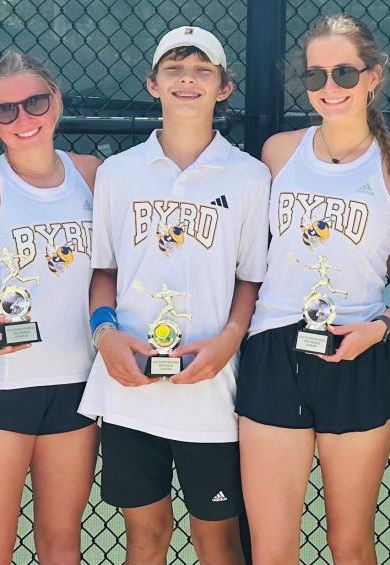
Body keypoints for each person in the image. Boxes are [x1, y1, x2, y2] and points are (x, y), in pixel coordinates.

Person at [234, 14, 390, 564]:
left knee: (349, 543)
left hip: (360, 352)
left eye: (344, 73)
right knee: (273, 548)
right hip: (274, 350)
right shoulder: (278, 153)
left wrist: (383, 327)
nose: (329, 88)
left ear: (373, 76)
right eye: (316, 76)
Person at [79, 25, 271, 565]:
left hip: (209, 391)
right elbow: (103, 272)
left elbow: (250, 279)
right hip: (129, 386)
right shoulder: (118, 174)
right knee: (145, 533)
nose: (187, 80)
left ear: (224, 87)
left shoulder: (250, 177)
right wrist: (105, 334)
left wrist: (230, 340)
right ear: (152, 83)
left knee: (219, 537)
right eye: (174, 70)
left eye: (201, 70)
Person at [0, 49, 100, 564]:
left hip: (77, 386)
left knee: (61, 543)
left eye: (34, 102)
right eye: (4, 110)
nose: (23, 119)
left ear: (55, 102)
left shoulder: (92, 175)